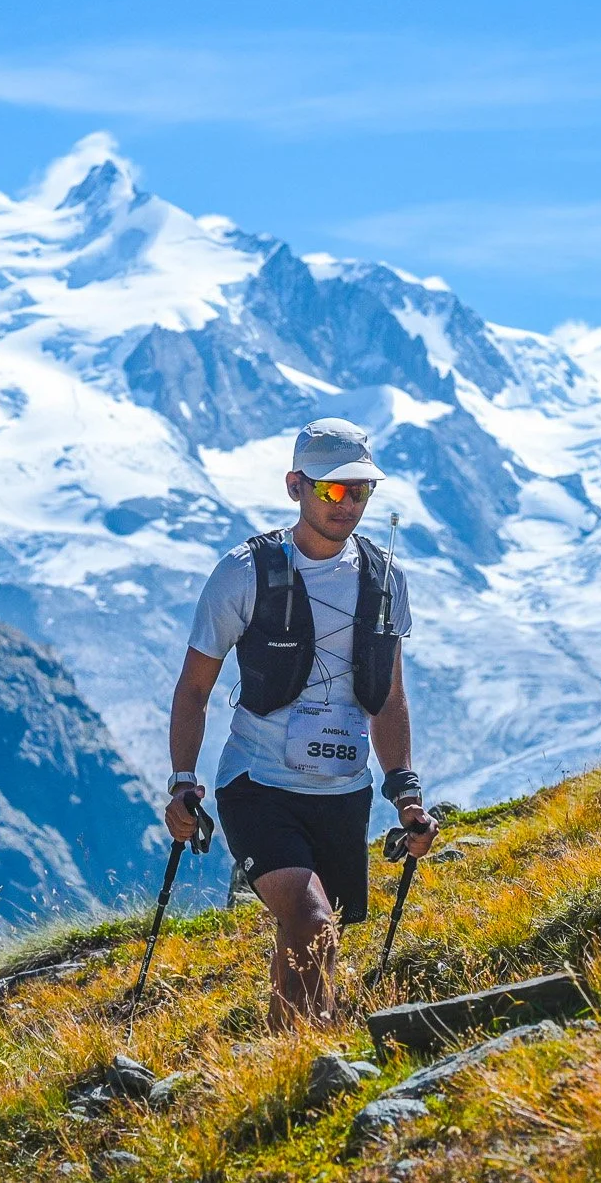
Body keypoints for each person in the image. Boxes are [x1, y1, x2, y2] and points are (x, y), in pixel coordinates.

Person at [163, 417, 439, 1027]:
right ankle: (308, 1059)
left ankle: (282, 1057)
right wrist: (183, 779)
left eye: (361, 491)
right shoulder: (244, 572)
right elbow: (194, 688)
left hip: (343, 793)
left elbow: (388, 698)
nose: (349, 504)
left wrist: (406, 793)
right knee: (313, 921)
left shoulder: (386, 581)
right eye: (332, 490)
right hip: (256, 785)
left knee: (314, 932)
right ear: (296, 486)